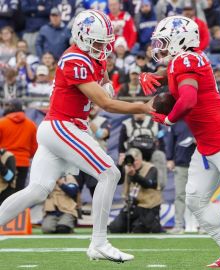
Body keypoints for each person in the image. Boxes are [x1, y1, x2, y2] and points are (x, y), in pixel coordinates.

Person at [0, 9, 153, 263]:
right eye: (98, 42)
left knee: (37, 191)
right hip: (63, 126)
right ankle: (99, 243)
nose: (103, 48)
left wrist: (105, 80)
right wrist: (143, 107)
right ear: (81, 38)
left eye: (105, 42)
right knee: (110, 172)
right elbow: (107, 104)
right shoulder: (74, 60)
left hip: (65, 127)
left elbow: (104, 81)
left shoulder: (95, 57)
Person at [139, 15, 220, 268]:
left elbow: (187, 99)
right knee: (196, 200)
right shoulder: (186, 59)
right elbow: (176, 74)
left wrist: (168, 120)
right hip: (207, 144)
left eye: (165, 42)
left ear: (180, 41)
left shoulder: (186, 60)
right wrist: (155, 76)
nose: (161, 48)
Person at [109, 148, 162, 233]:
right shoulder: (127, 167)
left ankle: (152, 224)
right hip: (132, 206)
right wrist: (119, 165)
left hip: (148, 207)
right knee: (115, 228)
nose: (134, 163)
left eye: (136, 160)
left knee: (138, 230)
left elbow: (148, 184)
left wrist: (135, 175)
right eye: (132, 160)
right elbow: (117, 181)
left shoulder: (151, 168)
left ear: (141, 159)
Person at [165, 120, 196, 234]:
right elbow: (170, 141)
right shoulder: (175, 123)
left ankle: (204, 227)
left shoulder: (201, 119)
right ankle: (178, 225)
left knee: (201, 196)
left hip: (199, 165)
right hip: (181, 163)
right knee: (180, 195)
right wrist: (169, 158)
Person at [0, 99, 37, 191]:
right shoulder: (31, 125)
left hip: (5, 162)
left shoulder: (2, 123)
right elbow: (34, 148)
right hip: (23, 163)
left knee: (4, 192)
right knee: (18, 194)